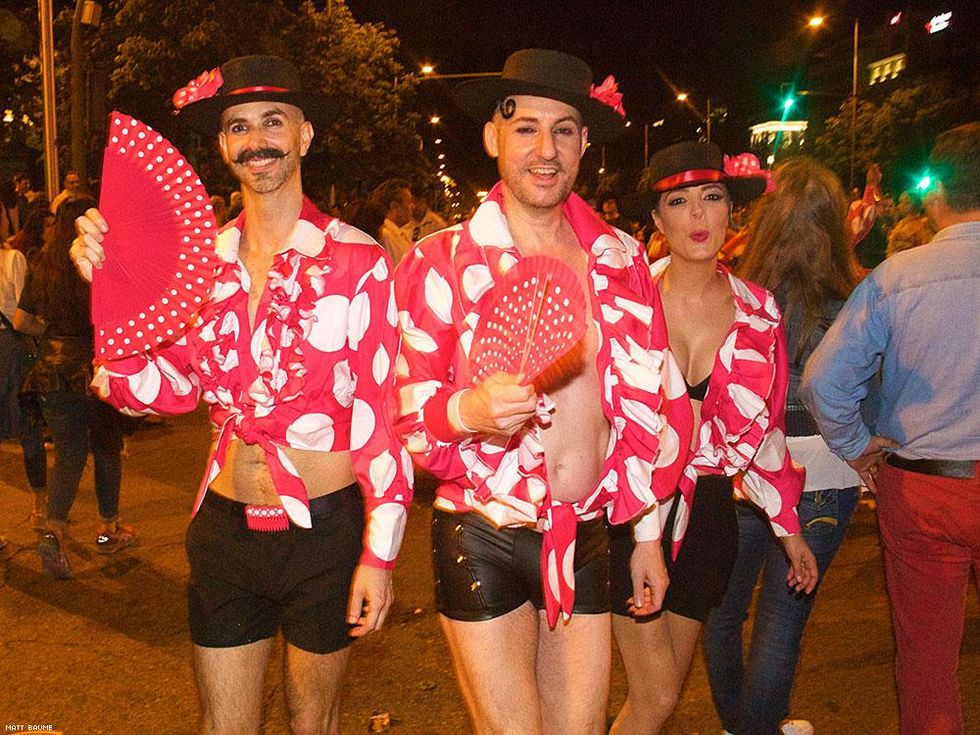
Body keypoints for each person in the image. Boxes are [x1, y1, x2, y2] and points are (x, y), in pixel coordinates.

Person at [70, 55, 412, 734]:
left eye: (273, 121)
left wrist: (379, 554)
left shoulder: (360, 261)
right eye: (239, 126)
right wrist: (110, 297)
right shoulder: (200, 264)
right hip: (224, 529)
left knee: (313, 722)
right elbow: (166, 388)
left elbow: (383, 423)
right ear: (224, 146)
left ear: (304, 135)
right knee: (222, 725)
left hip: (325, 535)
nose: (257, 139)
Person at [394, 48, 691, 734]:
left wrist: (647, 535)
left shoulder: (621, 260)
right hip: (481, 530)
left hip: (585, 529)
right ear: (492, 137)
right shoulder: (438, 263)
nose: (545, 149)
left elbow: (647, 407)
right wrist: (467, 409)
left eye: (563, 130)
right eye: (525, 127)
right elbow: (403, 416)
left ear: (585, 142)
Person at [607, 141, 818, 734]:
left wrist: (789, 530)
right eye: (679, 201)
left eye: (712, 197)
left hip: (709, 518)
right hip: (631, 510)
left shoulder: (760, 311)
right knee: (653, 700)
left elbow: (767, 429)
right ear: (657, 218)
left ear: (732, 209)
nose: (698, 215)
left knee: (659, 700)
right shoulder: (624, 303)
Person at [801, 122, 980, 735]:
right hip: (932, 485)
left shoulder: (898, 277)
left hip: (924, 488)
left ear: (936, 194)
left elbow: (823, 382)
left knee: (927, 662)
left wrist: (856, 446)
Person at [701, 157, 864, 735]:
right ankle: (756, 727)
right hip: (823, 470)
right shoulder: (854, 301)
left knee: (722, 613)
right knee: (782, 622)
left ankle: (742, 724)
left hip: (745, 467)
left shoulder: (732, 296)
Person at [13, 196, 130, 578]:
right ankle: (108, 530)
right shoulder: (100, 261)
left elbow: (21, 321)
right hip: (96, 368)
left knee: (69, 454)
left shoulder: (42, 263)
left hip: (52, 371)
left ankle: (55, 531)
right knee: (107, 448)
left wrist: (52, 334)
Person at [372, 178, 414, 264]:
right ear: (394, 206)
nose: (413, 206)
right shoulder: (385, 237)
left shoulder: (398, 235)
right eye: (408, 202)